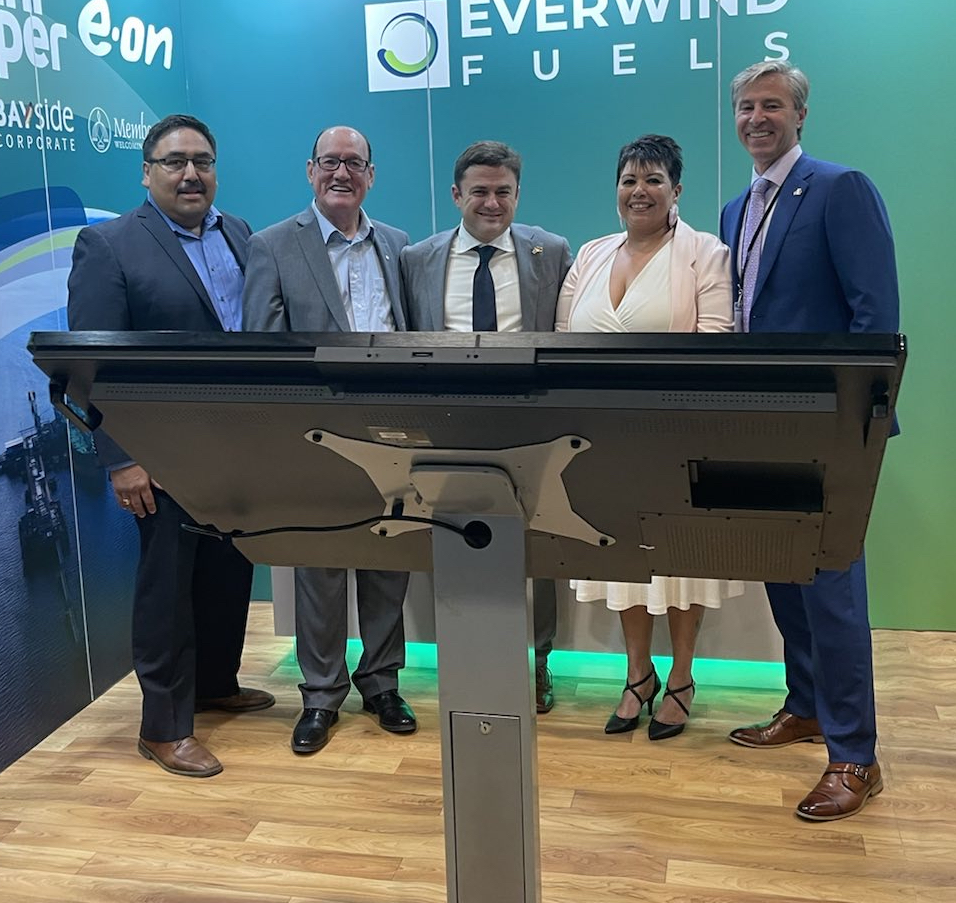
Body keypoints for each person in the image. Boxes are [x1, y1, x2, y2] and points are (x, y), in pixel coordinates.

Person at [66, 113, 274, 780]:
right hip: (159, 452)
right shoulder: (108, 245)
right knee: (167, 588)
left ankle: (215, 682)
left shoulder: (239, 233)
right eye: (175, 162)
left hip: (236, 442)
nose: (191, 174)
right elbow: (90, 366)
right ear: (147, 172)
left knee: (227, 571)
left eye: (203, 161)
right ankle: (163, 726)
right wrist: (122, 457)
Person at [722, 60, 899, 821]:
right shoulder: (736, 209)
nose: (756, 118)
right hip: (758, 426)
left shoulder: (839, 188)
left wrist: (862, 428)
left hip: (829, 431)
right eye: (745, 107)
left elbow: (876, 318)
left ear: (800, 116)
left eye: (771, 105)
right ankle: (807, 706)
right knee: (780, 571)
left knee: (830, 586)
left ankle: (856, 756)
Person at [556, 134, 741, 739]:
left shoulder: (704, 253)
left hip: (676, 435)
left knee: (680, 562)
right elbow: (561, 342)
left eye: (653, 180)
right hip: (600, 439)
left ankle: (683, 677)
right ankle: (638, 675)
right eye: (629, 180)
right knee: (622, 562)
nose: (640, 191)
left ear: (676, 190)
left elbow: (715, 342)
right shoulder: (590, 253)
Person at [243, 126, 415, 755]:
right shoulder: (271, 246)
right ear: (310, 170)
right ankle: (320, 694)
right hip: (314, 438)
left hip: (393, 433)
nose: (342, 173)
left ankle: (382, 682)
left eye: (355, 163)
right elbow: (261, 349)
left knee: (388, 562)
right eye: (331, 162)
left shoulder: (398, 246)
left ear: (371, 174)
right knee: (318, 566)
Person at [400, 140, 573, 713]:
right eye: (480, 191)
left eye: (503, 192)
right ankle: (464, 654)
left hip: (528, 421)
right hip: (445, 423)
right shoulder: (418, 259)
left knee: (537, 541)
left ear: (517, 194)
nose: (492, 203)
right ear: (456, 195)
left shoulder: (551, 252)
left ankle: (539, 658)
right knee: (450, 535)